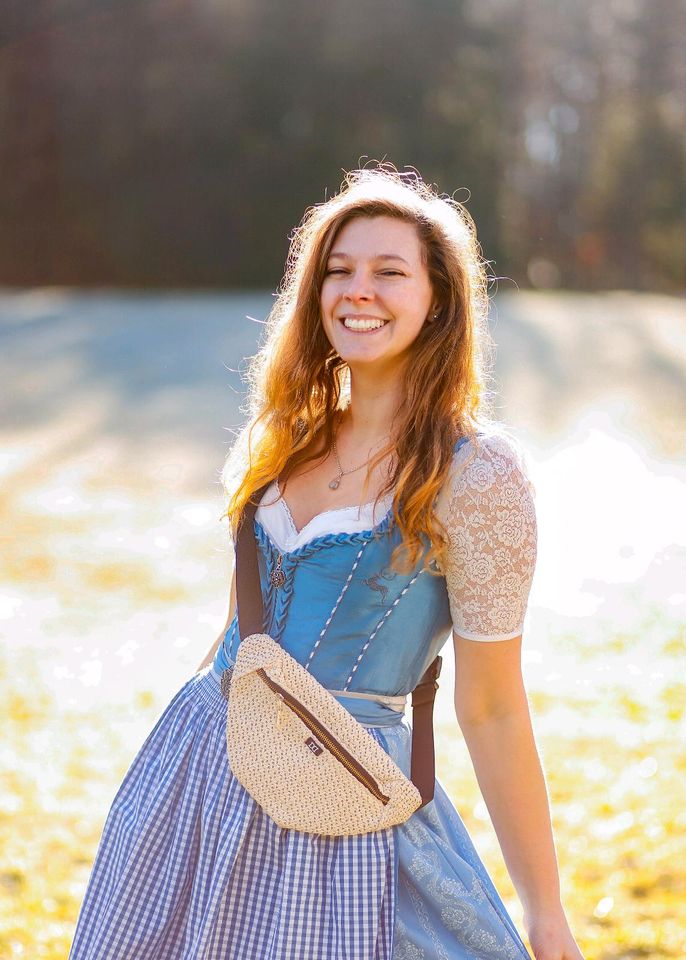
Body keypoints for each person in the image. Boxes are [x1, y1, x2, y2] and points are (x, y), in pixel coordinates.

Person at [68, 164, 584, 960]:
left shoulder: (477, 474)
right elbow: (240, 630)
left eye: (389, 271)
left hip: (337, 795)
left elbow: (492, 708)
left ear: (439, 298)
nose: (357, 291)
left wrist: (546, 914)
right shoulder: (283, 439)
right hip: (199, 771)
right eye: (337, 271)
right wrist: (172, 775)